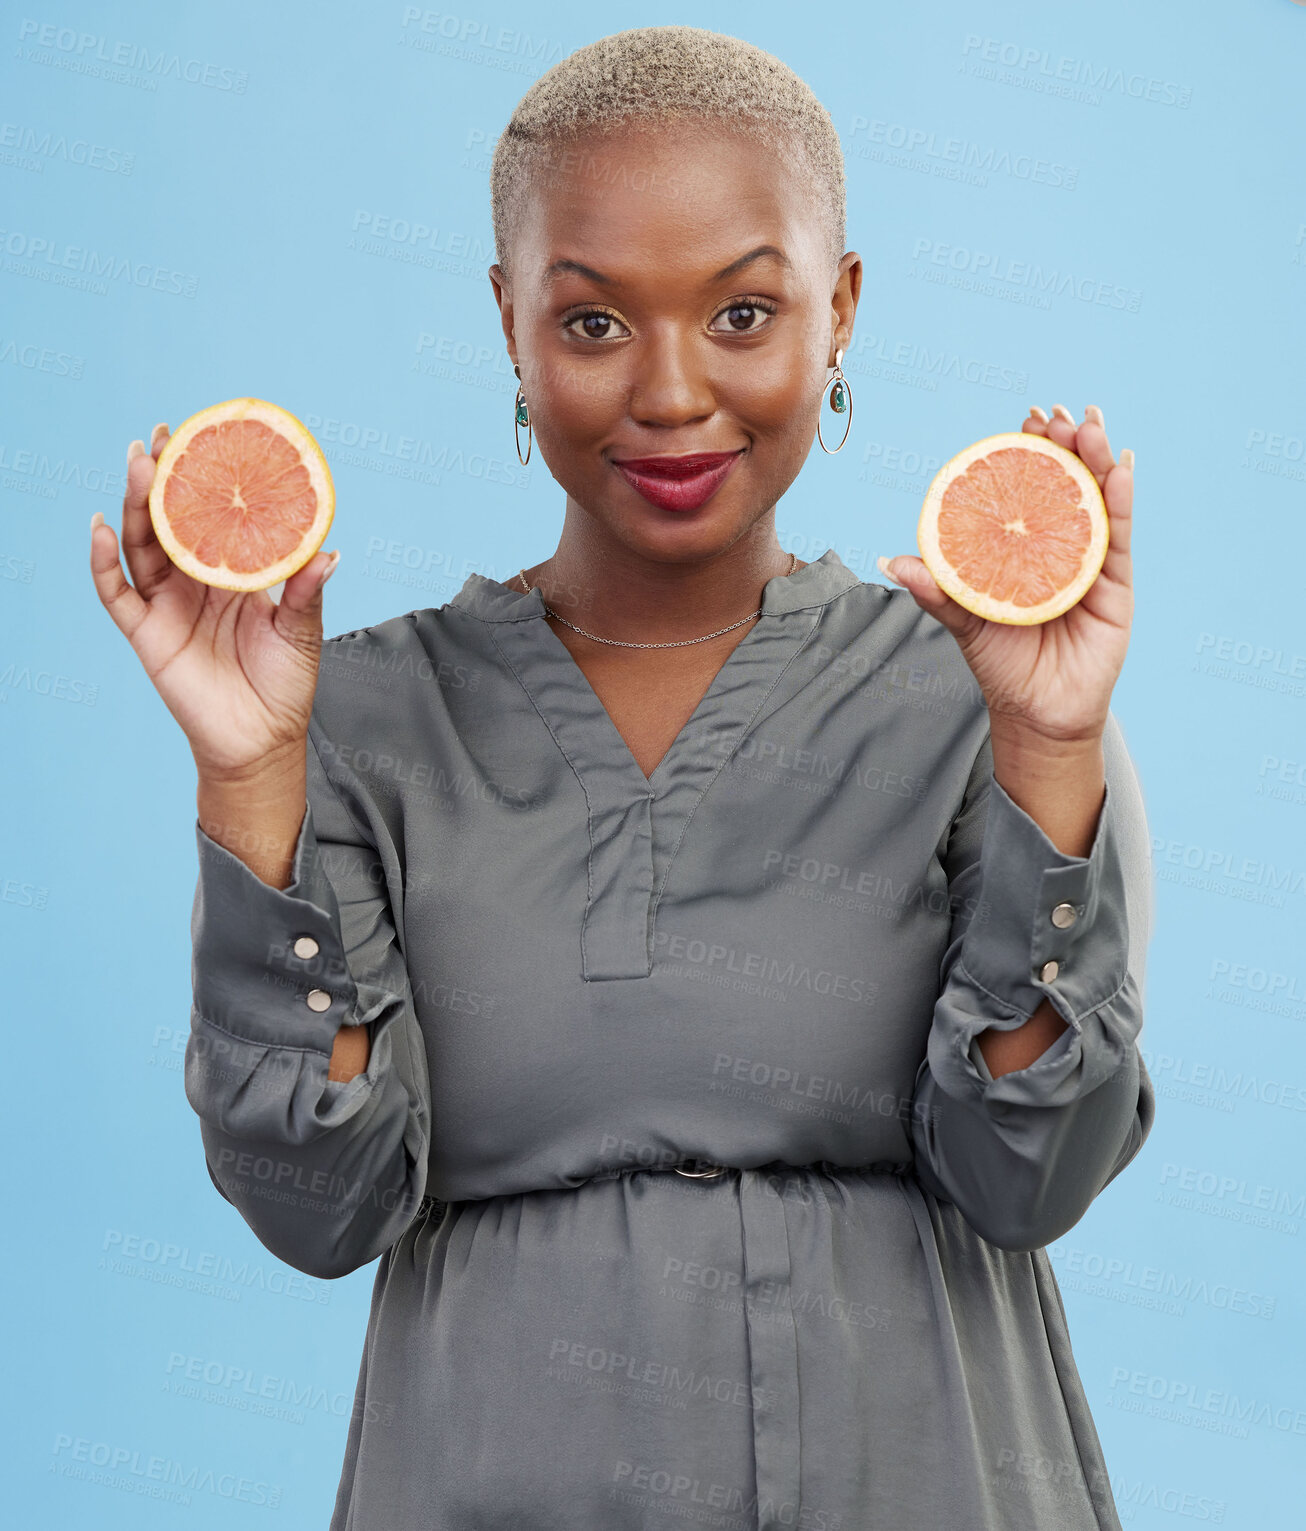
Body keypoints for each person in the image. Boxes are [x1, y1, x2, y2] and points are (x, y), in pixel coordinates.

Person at [89, 25, 1154, 1531]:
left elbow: (1029, 1179)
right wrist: (252, 766)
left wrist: (1047, 749)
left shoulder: (969, 692)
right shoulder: (362, 714)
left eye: (740, 312)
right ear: (508, 322)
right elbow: (315, 1211)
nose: (669, 393)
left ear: (836, 309)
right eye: (591, 324)